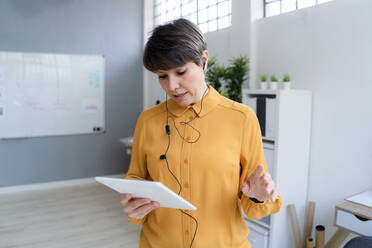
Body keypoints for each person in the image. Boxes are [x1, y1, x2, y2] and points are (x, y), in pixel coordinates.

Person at [120, 18, 282, 248]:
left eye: (181, 72)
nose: (172, 86)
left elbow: (254, 202)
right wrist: (131, 202)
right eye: (162, 76)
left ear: (203, 61)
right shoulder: (148, 121)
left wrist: (258, 195)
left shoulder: (241, 119)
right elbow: (135, 179)